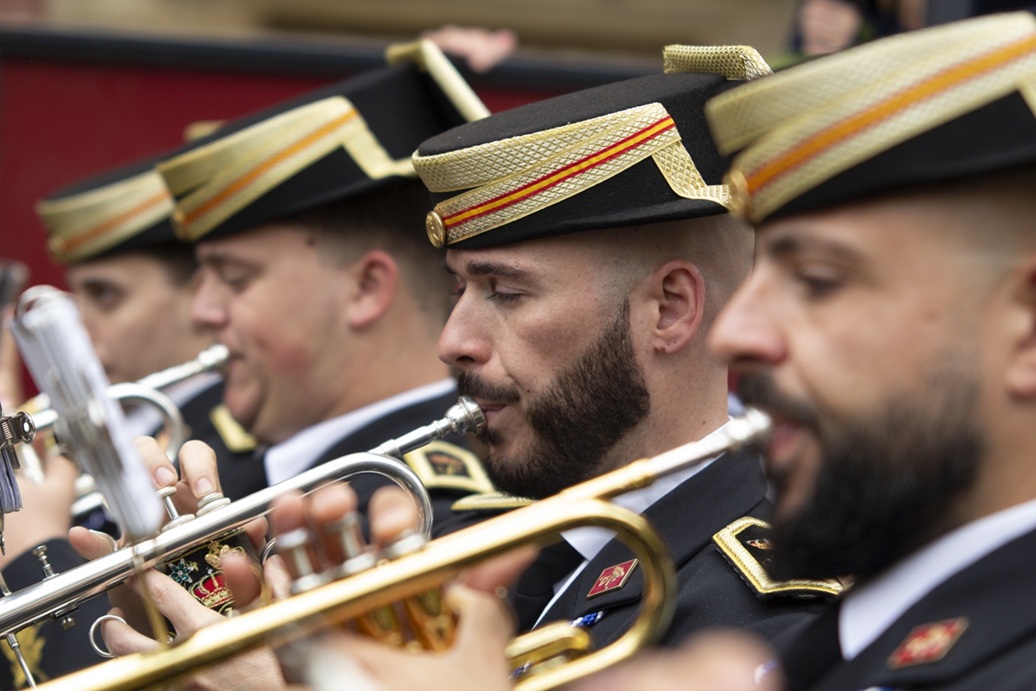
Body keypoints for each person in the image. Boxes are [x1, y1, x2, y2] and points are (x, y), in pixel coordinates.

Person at [82, 40, 498, 676]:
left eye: (236, 278)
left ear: (365, 289)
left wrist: (34, 553)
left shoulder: (438, 513)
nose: (202, 312)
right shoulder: (247, 476)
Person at [0, 157, 257, 688]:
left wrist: (32, 550)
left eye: (105, 296)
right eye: (73, 297)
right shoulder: (48, 428)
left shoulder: (232, 451)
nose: (76, 329)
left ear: (199, 297)